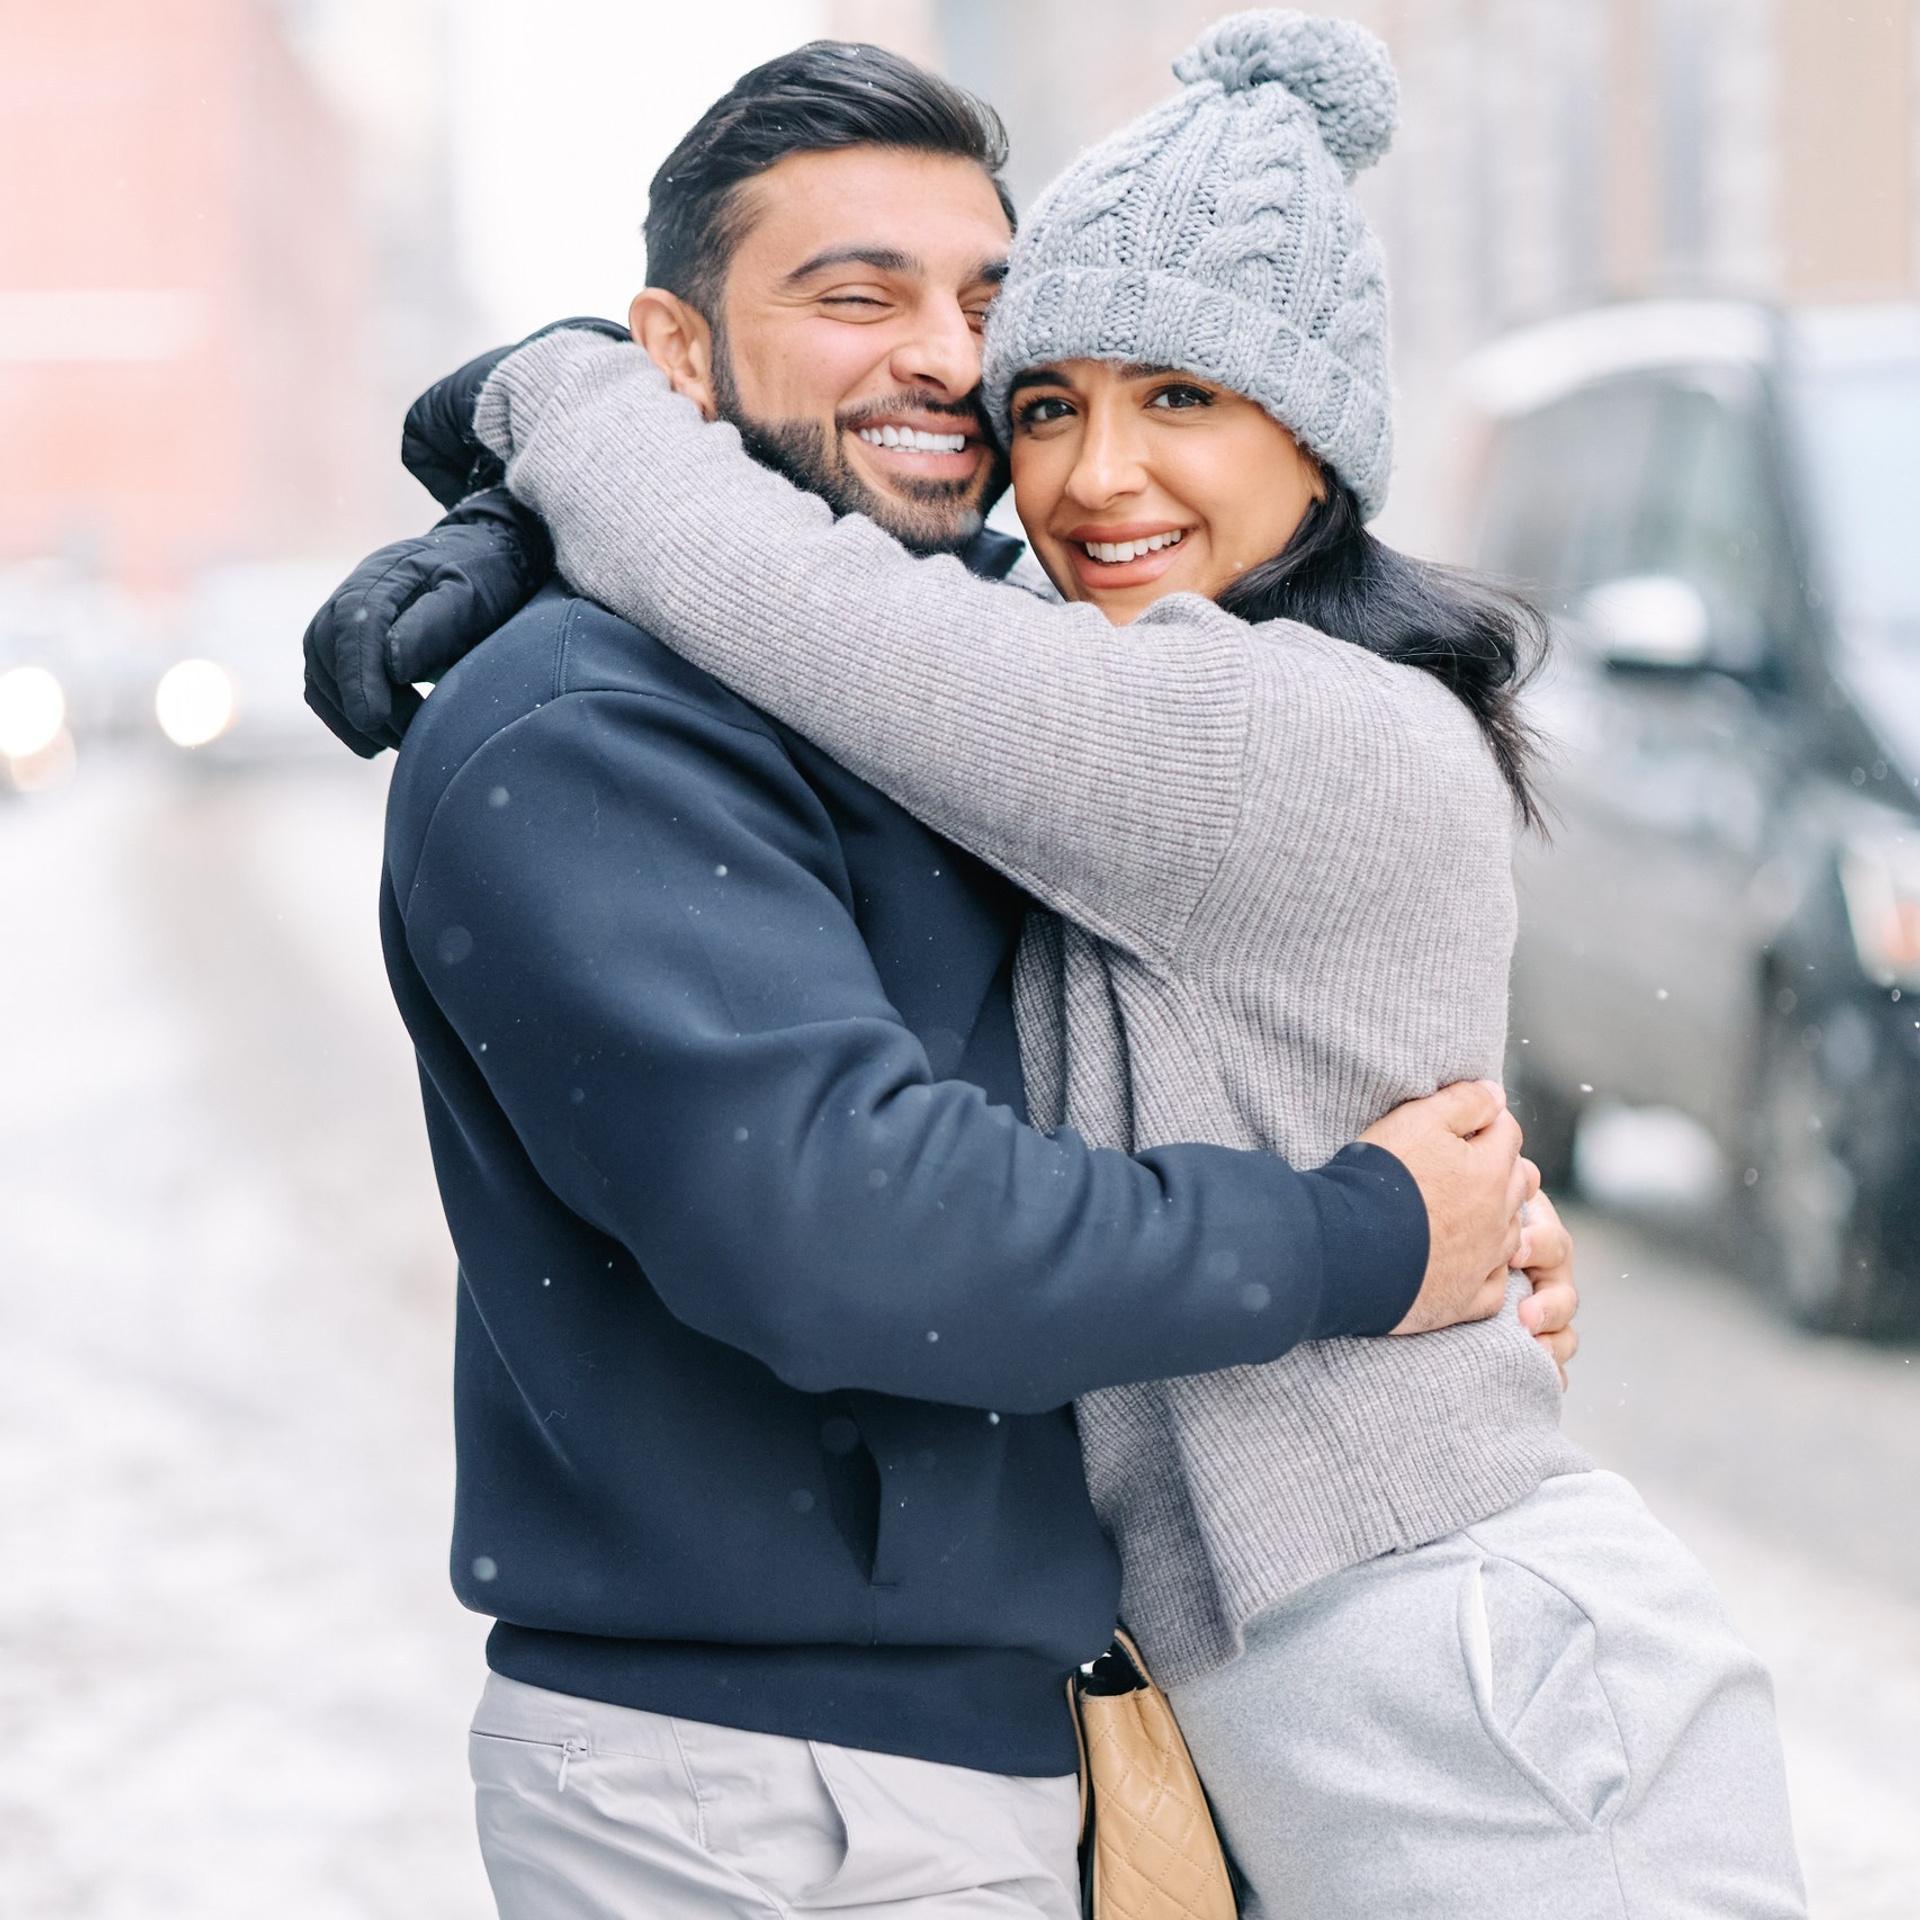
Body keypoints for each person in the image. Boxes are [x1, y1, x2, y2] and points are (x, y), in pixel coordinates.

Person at [379, 14, 1809, 1918]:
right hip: (1097, 1719)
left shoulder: (1249, 725)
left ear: (1320, 439)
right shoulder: (906, 699)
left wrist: (552, 412)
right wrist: (1376, 1231)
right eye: (1049, 403)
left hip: (1466, 1668)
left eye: (1181, 397)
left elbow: (816, 612)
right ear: (686, 347)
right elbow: (851, 1198)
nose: (1087, 469)